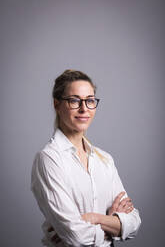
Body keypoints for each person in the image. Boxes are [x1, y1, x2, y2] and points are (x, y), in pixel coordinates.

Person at [31, 70, 141, 247]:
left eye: (90, 100)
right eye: (74, 100)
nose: (84, 109)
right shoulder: (49, 159)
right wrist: (113, 222)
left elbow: (134, 223)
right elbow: (77, 237)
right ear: (57, 105)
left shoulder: (104, 159)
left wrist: (94, 218)